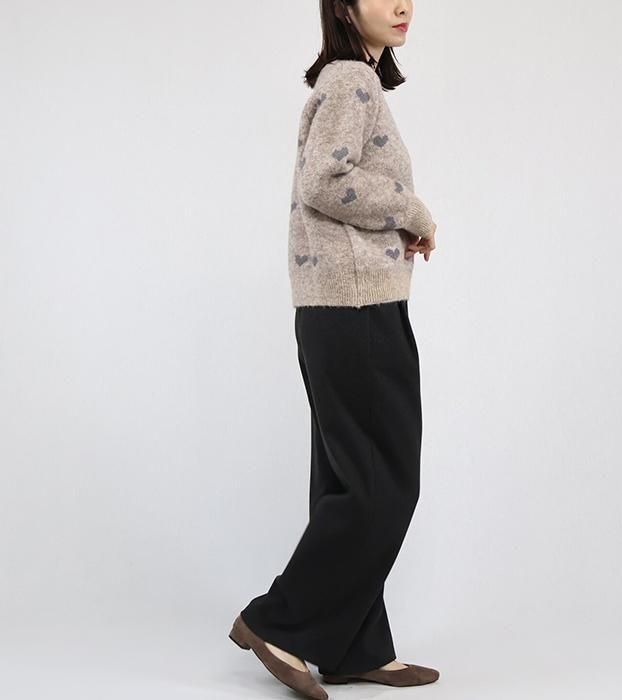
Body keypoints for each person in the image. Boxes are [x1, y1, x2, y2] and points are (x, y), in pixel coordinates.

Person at [229, 1, 439, 697]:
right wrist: (412, 210)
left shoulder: (350, 80)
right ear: (345, 6)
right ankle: (277, 622)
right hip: (356, 309)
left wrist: (393, 226)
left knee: (350, 482)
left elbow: (330, 182)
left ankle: (354, 647)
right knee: (384, 485)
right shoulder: (352, 79)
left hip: (341, 307)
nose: (402, 5)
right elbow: (324, 179)